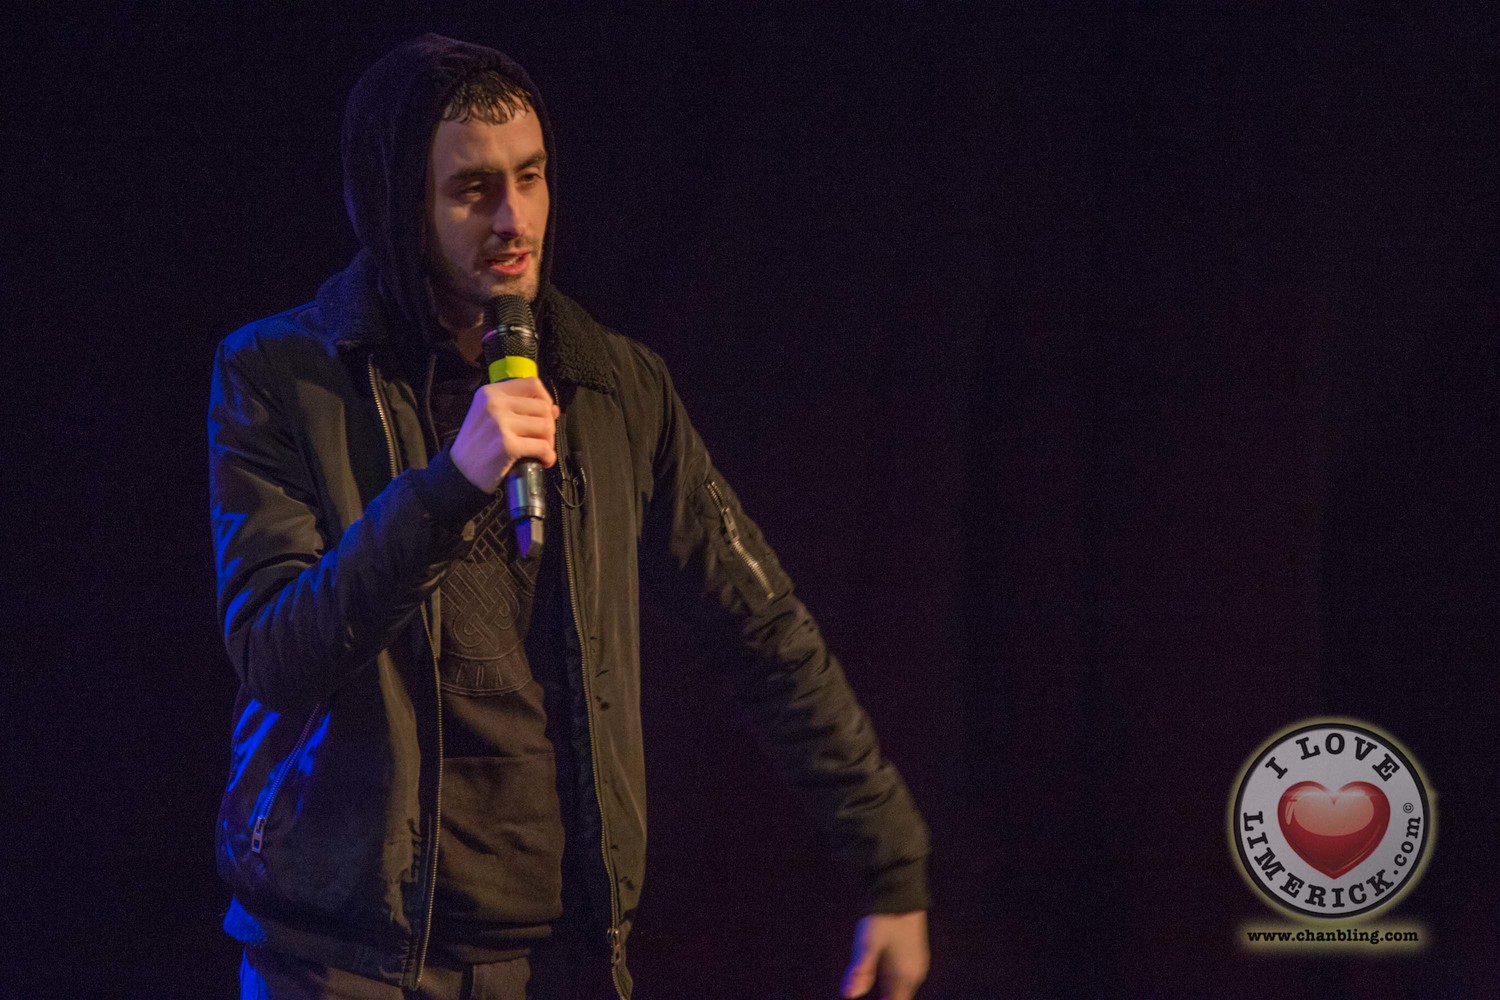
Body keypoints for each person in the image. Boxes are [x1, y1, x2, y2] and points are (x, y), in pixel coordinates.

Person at [209, 34, 931, 1000]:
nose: (515, 219)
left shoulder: (612, 386)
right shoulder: (281, 375)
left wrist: (890, 860)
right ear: (396, 205)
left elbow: (762, 628)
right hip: (344, 958)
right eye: (473, 190)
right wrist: (446, 487)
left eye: (532, 176)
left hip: (556, 958)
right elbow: (275, 651)